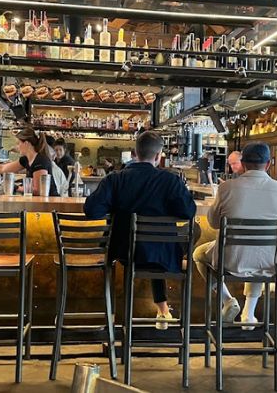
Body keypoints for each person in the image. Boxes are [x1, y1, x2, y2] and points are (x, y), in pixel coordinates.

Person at [84, 131, 196, 329]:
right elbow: (188, 212)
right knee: (191, 230)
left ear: (135, 152)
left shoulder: (115, 180)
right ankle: (164, 311)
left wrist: (114, 205)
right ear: (159, 155)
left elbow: (91, 211)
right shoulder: (171, 181)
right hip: (164, 253)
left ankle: (126, 323)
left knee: (144, 245)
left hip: (125, 252)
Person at [193, 142, 277, 328]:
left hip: (230, 261)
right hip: (272, 262)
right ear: (268, 164)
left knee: (198, 255)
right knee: (260, 257)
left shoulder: (227, 188)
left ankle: (228, 300)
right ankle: (248, 315)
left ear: (243, 164)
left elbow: (213, 223)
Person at [0, 127, 58, 197]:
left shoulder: (40, 161)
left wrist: (16, 187)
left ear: (26, 143)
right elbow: (3, 168)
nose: (17, 146)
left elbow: (38, 190)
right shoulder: (26, 159)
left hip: (49, 204)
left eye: (18, 143)